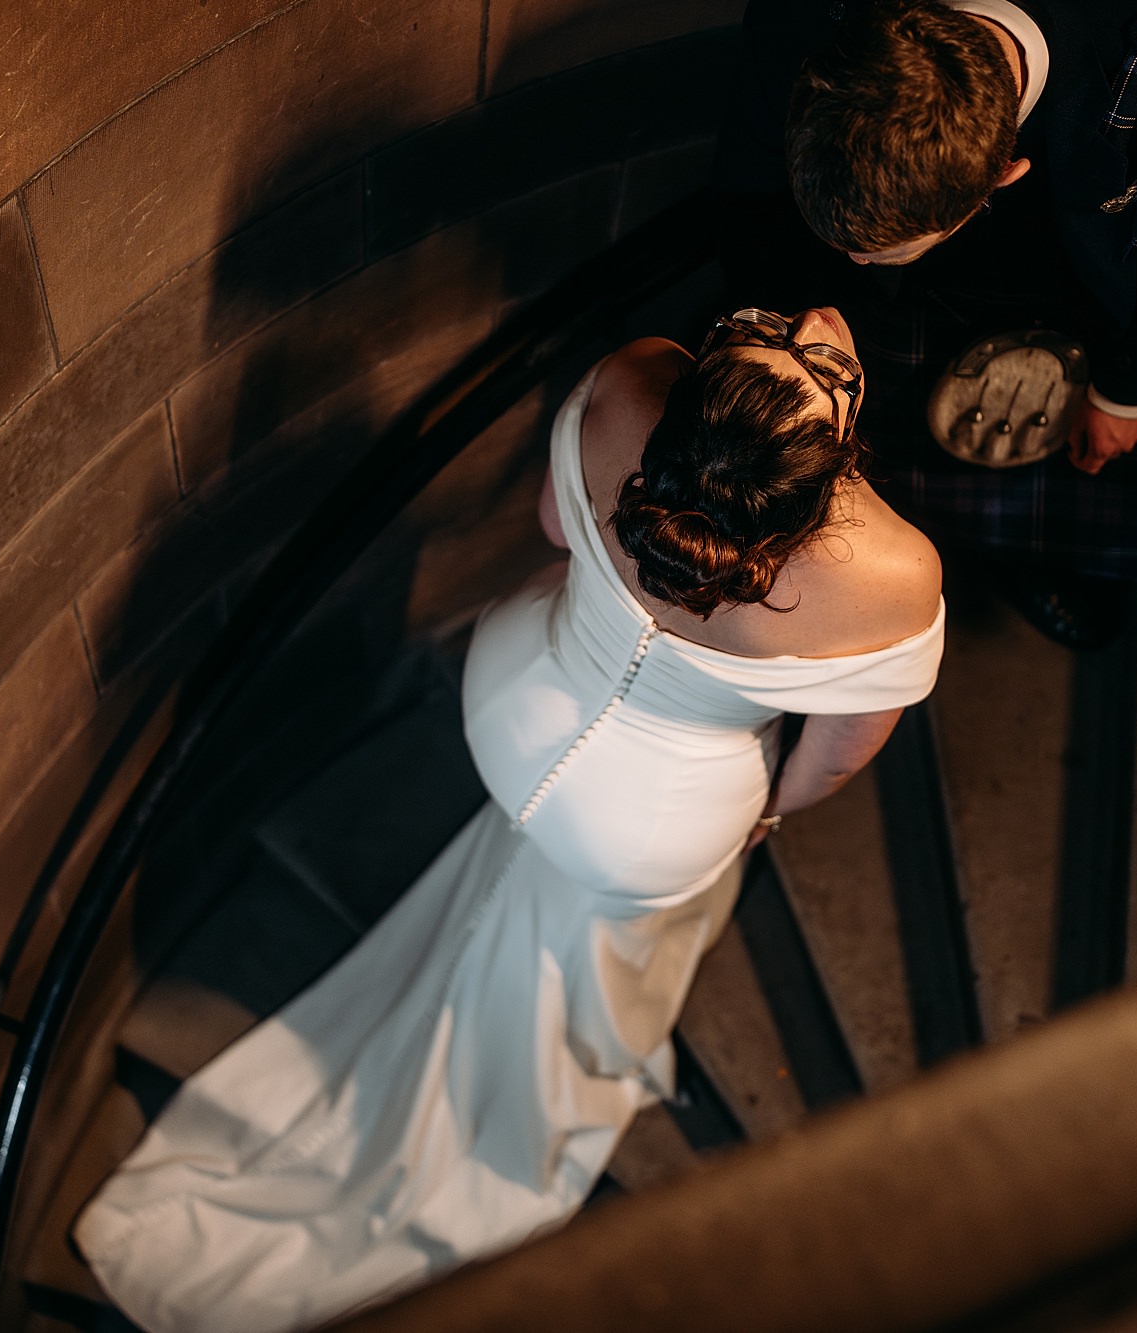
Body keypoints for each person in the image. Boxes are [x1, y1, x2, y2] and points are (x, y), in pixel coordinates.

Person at [71, 306, 946, 1333]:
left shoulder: (632, 382)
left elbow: (553, 527)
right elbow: (833, 758)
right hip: (648, 826)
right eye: (812, 355)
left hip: (516, 706)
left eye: (805, 354)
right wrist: (763, 818)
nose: (816, 319)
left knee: (532, 856)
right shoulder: (891, 574)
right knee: (606, 931)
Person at [716, 0, 1137, 647]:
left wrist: (1132, 391)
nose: (856, 259)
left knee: (1083, 480)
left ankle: (1039, 556)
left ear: (1005, 174)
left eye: (881, 248)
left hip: (1090, 286)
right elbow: (747, 189)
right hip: (894, 308)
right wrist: (773, 340)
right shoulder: (797, 18)